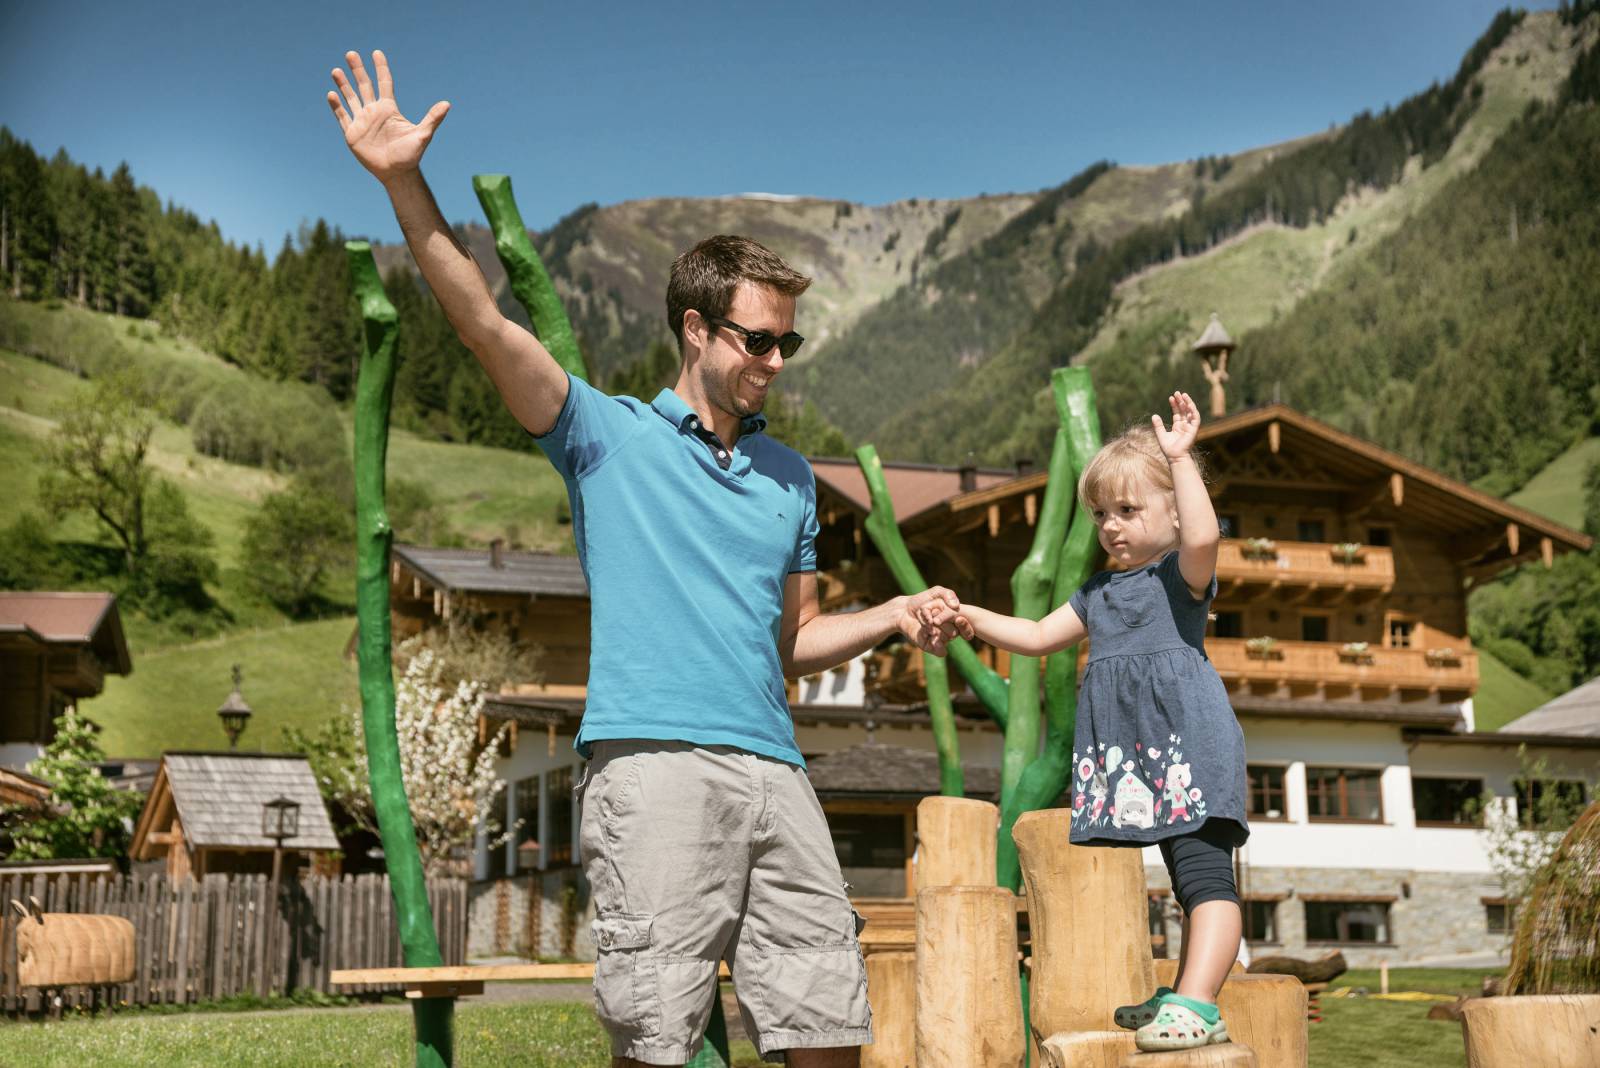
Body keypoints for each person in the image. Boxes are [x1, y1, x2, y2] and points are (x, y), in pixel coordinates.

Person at [325, 50, 962, 1068]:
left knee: (829, 1026)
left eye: (787, 345)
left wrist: (891, 614)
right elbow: (482, 322)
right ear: (697, 327)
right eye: (757, 341)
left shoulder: (791, 477)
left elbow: (792, 642)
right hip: (653, 767)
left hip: (777, 773)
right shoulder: (602, 436)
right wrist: (404, 181)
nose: (774, 363)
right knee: (656, 1039)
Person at [922, 391, 1248, 1052]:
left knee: (1204, 875)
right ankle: (1186, 990)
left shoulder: (1180, 578)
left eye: (1128, 510)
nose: (1112, 526)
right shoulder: (1098, 593)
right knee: (1179, 875)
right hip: (1145, 762)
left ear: (1172, 510)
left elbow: (1206, 533)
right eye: (1101, 513)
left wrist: (1181, 459)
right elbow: (1040, 635)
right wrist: (970, 619)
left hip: (1191, 750)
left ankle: (1200, 1000)